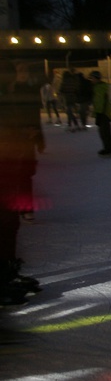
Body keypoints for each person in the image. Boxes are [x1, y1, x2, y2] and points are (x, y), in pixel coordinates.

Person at [1, 60, 44, 306]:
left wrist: (29, 135)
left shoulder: (13, 94)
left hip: (9, 161)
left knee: (8, 222)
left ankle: (7, 273)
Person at [88, 71, 111, 157]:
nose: (91, 80)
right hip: (100, 113)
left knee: (105, 132)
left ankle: (110, 149)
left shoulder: (100, 88)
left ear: (97, 78)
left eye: (92, 78)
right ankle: (109, 148)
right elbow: (97, 102)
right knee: (103, 132)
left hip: (103, 113)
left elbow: (102, 102)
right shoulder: (96, 88)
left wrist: (101, 113)